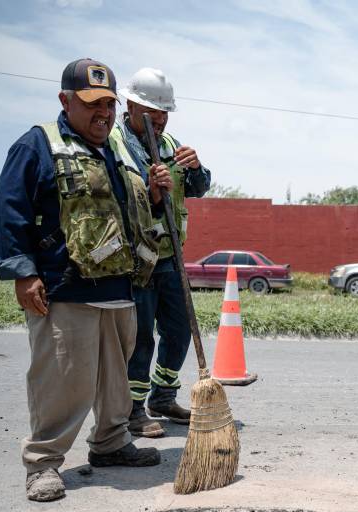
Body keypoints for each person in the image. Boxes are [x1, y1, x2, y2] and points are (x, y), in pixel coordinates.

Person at [0, 58, 171, 502]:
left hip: (119, 290)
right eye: (92, 105)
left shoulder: (116, 150)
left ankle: (110, 444)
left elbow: (127, 213)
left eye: (109, 105)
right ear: (65, 101)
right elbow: (9, 212)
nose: (103, 114)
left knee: (116, 382)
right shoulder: (38, 144)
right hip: (65, 289)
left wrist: (152, 192)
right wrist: (22, 273)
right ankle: (43, 463)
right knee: (63, 380)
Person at [112, 68, 211, 434]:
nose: (160, 119)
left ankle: (163, 396)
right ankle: (133, 408)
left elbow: (198, 188)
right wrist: (152, 195)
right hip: (134, 260)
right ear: (131, 104)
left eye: (165, 112)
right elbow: (115, 200)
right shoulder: (114, 144)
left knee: (178, 329)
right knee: (139, 337)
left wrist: (197, 168)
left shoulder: (170, 144)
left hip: (169, 257)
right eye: (154, 111)